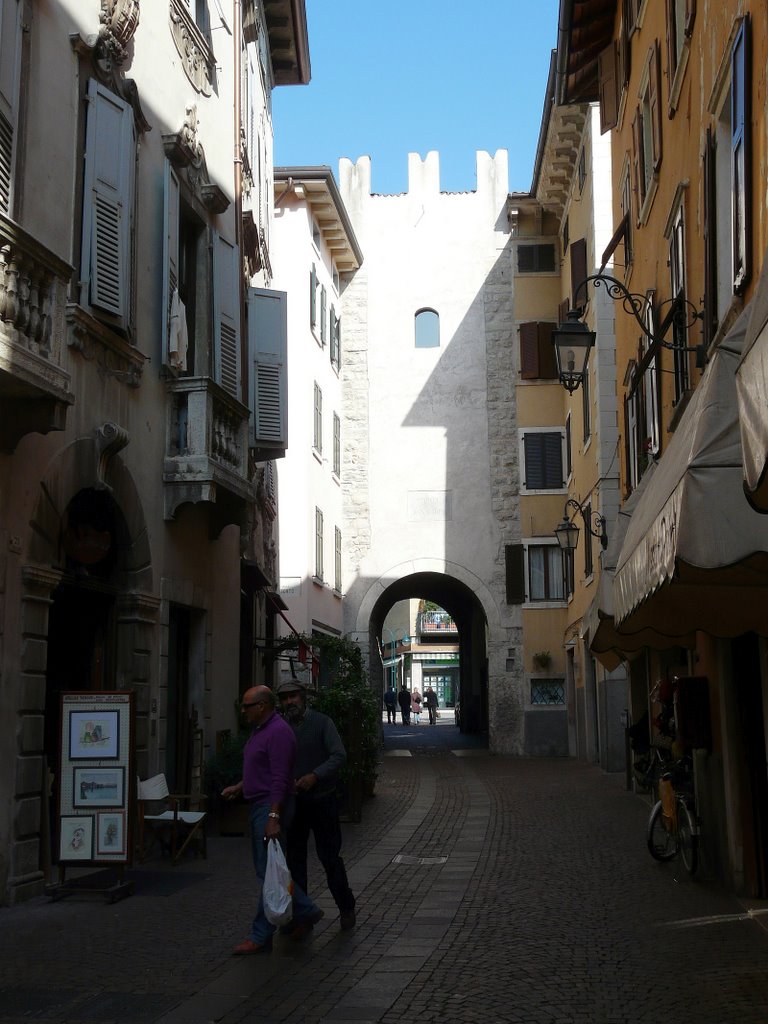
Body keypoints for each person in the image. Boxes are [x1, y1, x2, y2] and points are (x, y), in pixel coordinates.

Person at [222, 685, 323, 955]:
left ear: (262, 706)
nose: (243, 711)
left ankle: (301, 913)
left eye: (247, 706)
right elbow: (264, 769)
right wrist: (241, 786)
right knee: (269, 872)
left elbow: (280, 778)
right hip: (261, 803)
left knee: (268, 872)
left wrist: (273, 816)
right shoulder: (262, 730)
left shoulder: (278, 733)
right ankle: (274, 928)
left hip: (269, 806)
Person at [276, 679, 356, 931]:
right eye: (285, 698)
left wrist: (315, 775)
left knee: (330, 857)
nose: (289, 702)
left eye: (293, 696)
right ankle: (302, 915)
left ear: (303, 697)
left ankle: (346, 907)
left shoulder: (322, 723)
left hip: (323, 800)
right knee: (295, 860)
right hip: (295, 804)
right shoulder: (281, 728)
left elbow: (339, 755)